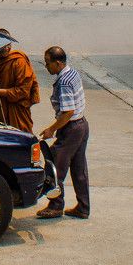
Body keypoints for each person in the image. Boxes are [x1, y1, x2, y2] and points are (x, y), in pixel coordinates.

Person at [37, 46, 90, 220]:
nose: (46, 67)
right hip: (82, 125)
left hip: (72, 128)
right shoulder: (72, 73)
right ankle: (83, 207)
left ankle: (56, 205)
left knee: (55, 166)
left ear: (58, 63)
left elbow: (68, 112)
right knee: (78, 168)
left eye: (48, 63)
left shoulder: (64, 82)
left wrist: (51, 129)